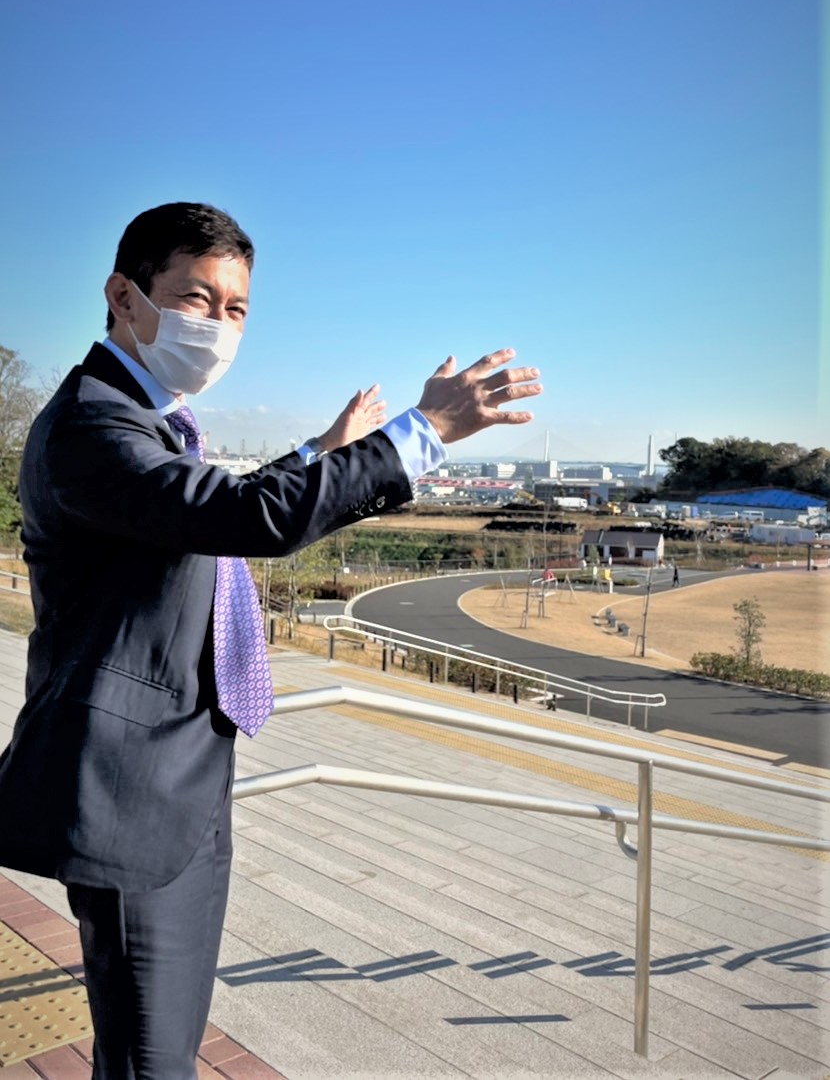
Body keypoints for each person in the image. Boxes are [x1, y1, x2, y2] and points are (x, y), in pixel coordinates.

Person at [0, 202, 542, 1080]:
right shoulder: (93, 424)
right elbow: (241, 515)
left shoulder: (148, 415)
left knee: (164, 1046)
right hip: (129, 791)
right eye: (196, 298)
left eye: (237, 308)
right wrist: (426, 431)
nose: (218, 326)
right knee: (150, 1061)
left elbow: (205, 509)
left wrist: (321, 450)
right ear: (123, 295)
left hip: (183, 774)